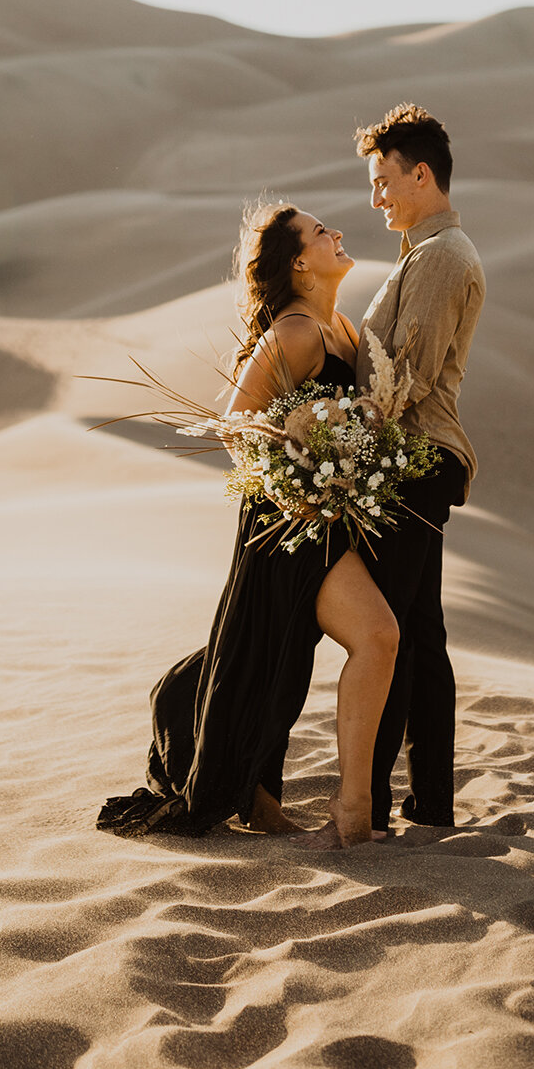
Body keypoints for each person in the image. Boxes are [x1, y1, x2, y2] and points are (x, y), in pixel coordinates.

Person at [97, 202, 402, 848]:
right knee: (375, 635)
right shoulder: (293, 333)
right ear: (298, 262)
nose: (337, 233)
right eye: (322, 233)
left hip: (328, 518)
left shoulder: (343, 329)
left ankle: (263, 800)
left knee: (276, 660)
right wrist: (300, 476)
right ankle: (353, 809)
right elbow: (236, 428)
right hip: (287, 524)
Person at [351, 105, 484, 837]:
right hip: (417, 458)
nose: (375, 197)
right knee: (421, 633)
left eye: (382, 180)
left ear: (420, 173)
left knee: (389, 630)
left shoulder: (438, 257)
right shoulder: (428, 252)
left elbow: (406, 377)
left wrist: (341, 434)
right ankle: (430, 798)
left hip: (415, 458)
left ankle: (367, 800)